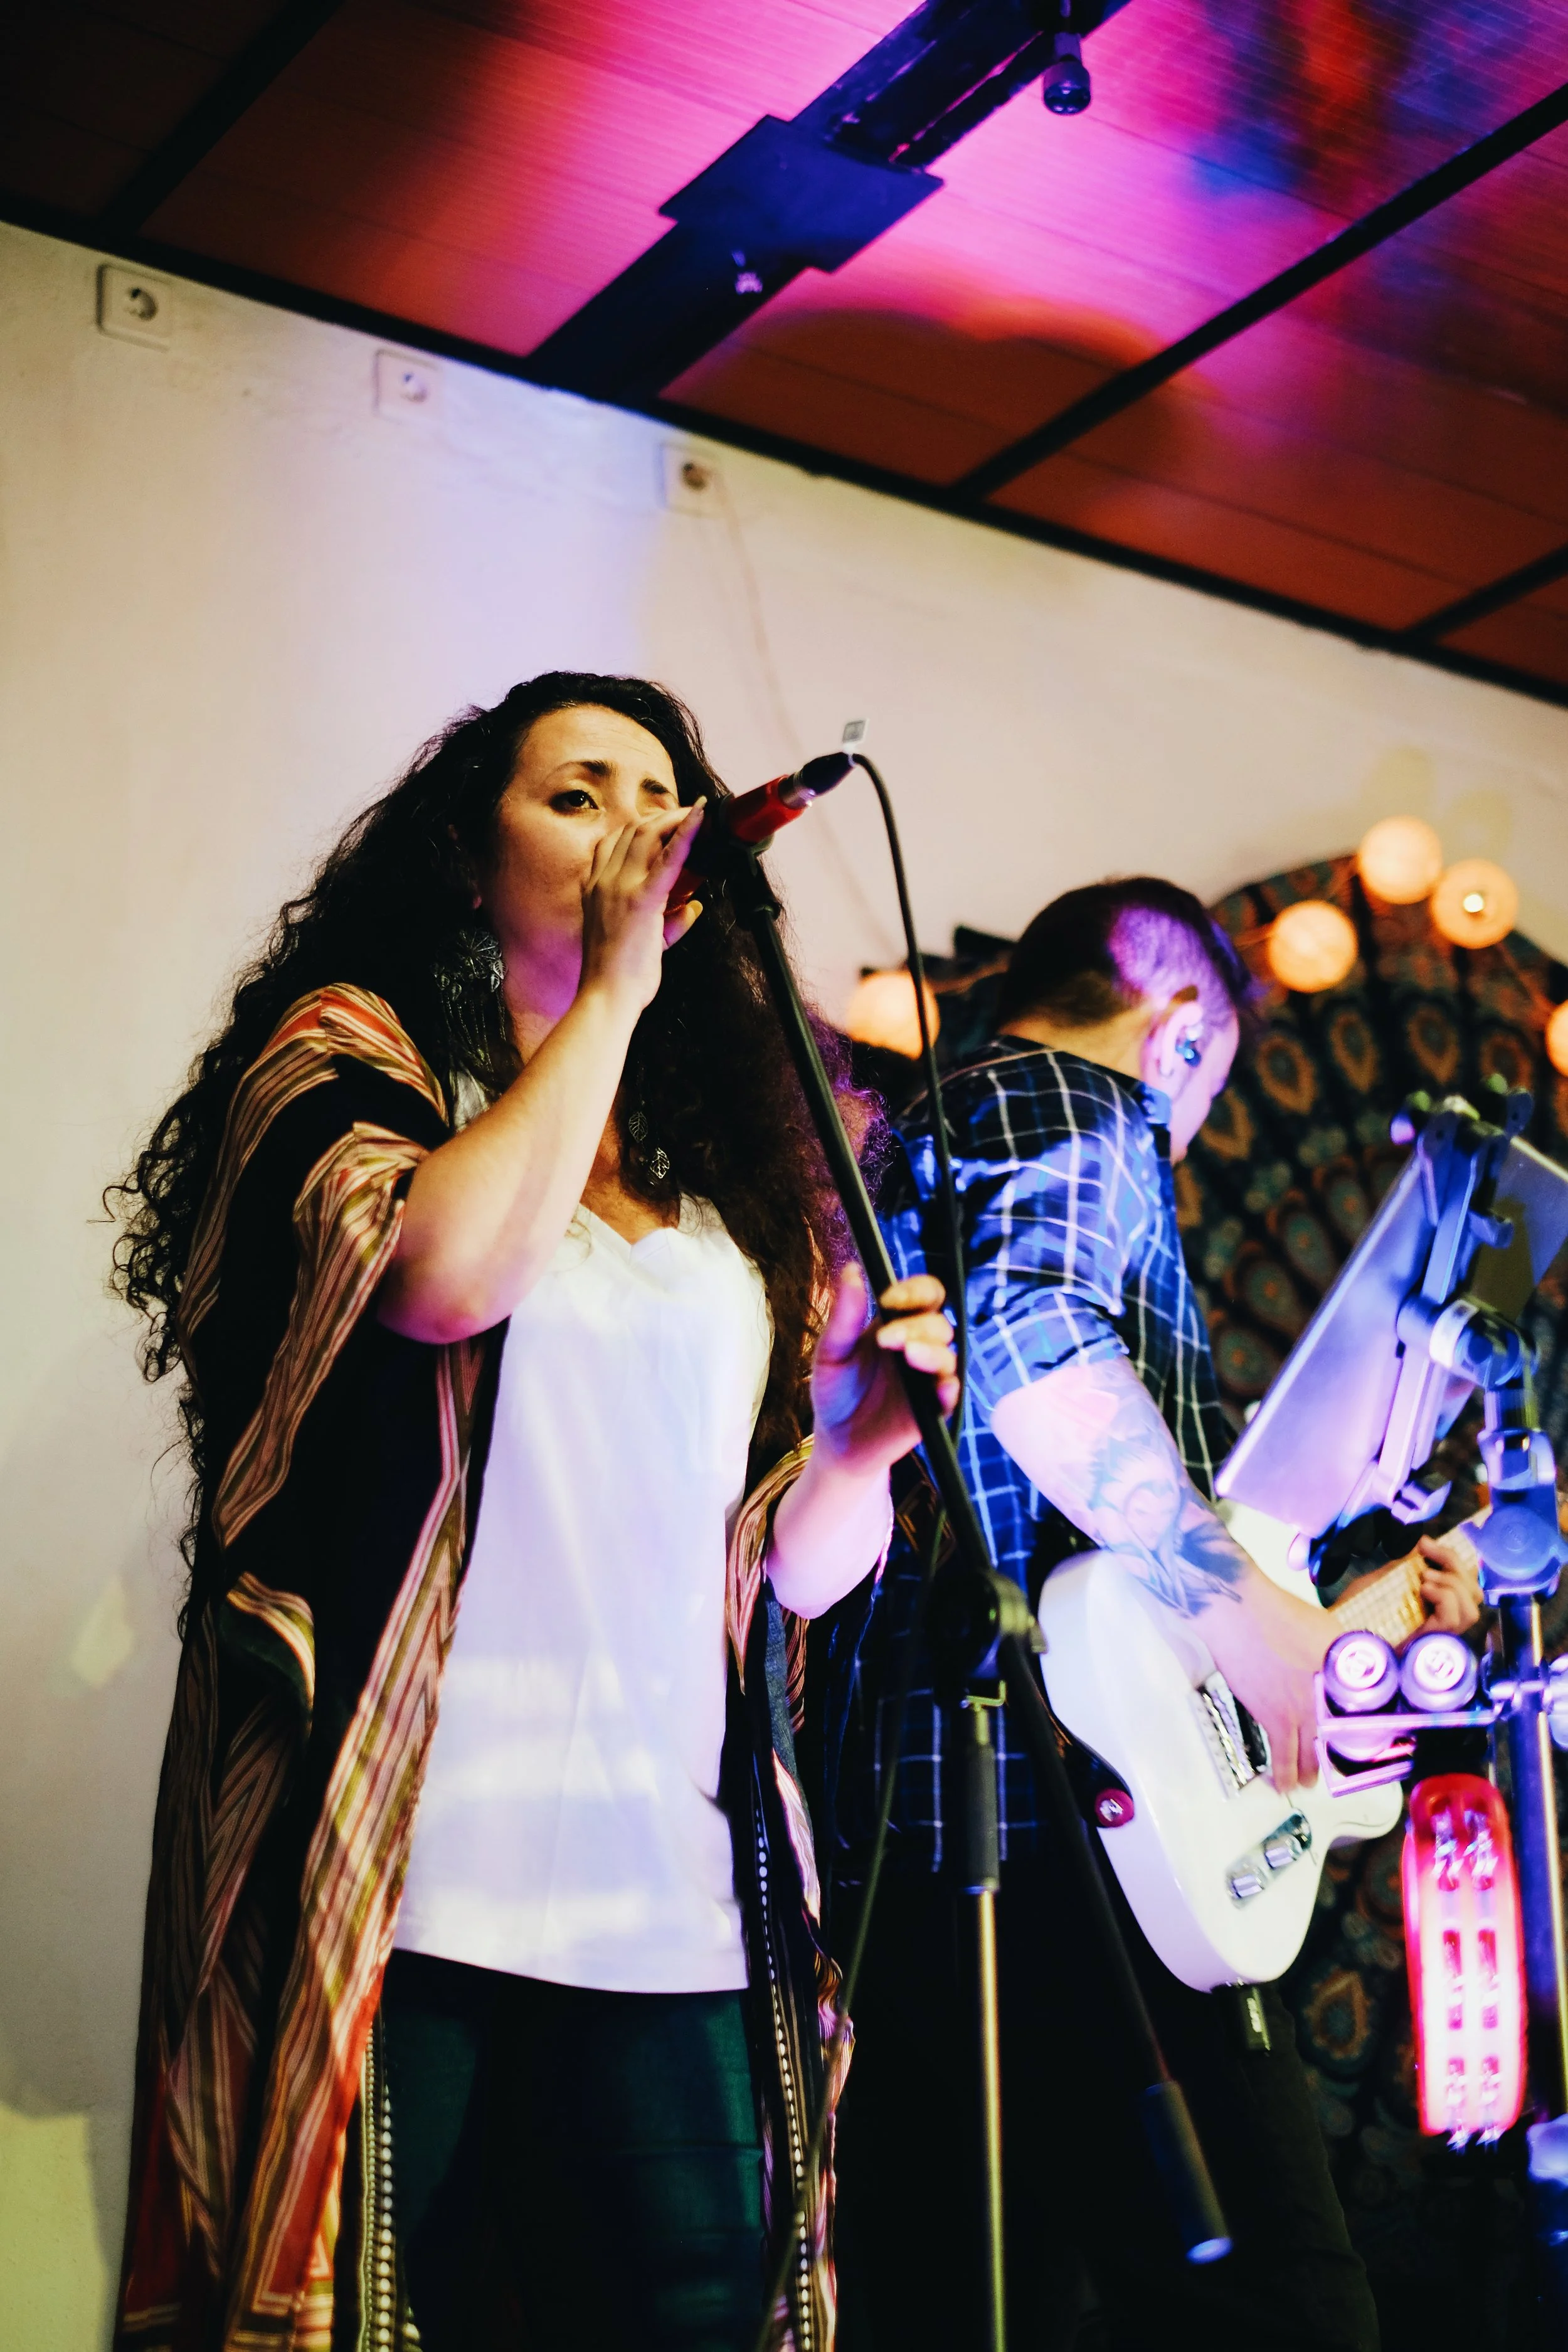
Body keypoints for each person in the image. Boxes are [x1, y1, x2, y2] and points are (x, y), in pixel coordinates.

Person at [107, 672, 958, 2352]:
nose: (633, 823)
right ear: (466, 846)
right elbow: (437, 1274)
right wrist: (614, 991)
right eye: (575, 792)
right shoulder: (355, 1060)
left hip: (677, 1886)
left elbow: (782, 1571)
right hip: (411, 1875)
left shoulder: (737, 1178)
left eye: (659, 792)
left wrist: (860, 1446)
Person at [820, 877, 1479, 2352]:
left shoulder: (910, 1138)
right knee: (1289, 2317)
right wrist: (1257, 1629)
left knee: (969, 2308)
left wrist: (1349, 1592)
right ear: (1177, 1028)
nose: (1179, 1146)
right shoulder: (1077, 1104)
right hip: (1073, 1828)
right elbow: (1032, 1340)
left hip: (913, 1846)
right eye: (1199, 1098)